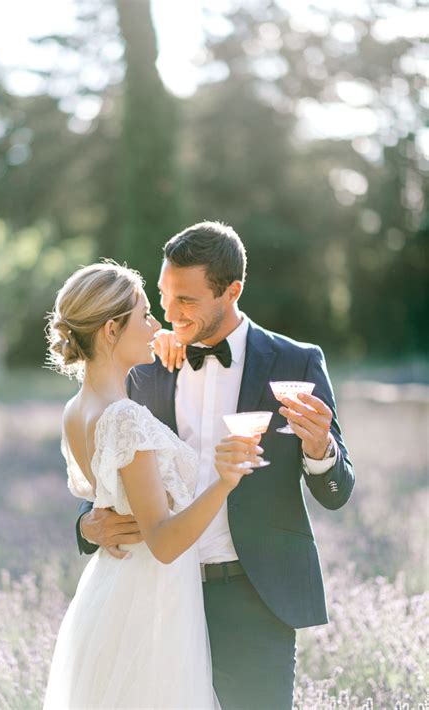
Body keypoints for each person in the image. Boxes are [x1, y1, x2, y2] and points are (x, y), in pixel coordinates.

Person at [78, 222, 355, 710]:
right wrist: (86, 525)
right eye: (164, 296)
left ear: (232, 291)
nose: (169, 313)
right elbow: (112, 470)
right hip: (159, 595)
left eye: (186, 300)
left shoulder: (297, 362)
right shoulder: (143, 364)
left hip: (256, 596)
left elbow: (337, 490)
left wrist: (319, 451)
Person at [43, 261, 265, 709]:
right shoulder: (125, 417)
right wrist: (224, 482)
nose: (156, 324)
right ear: (110, 330)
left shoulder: (76, 409)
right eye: (145, 315)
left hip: (111, 592)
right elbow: (162, 541)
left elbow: (113, 507)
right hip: (150, 605)